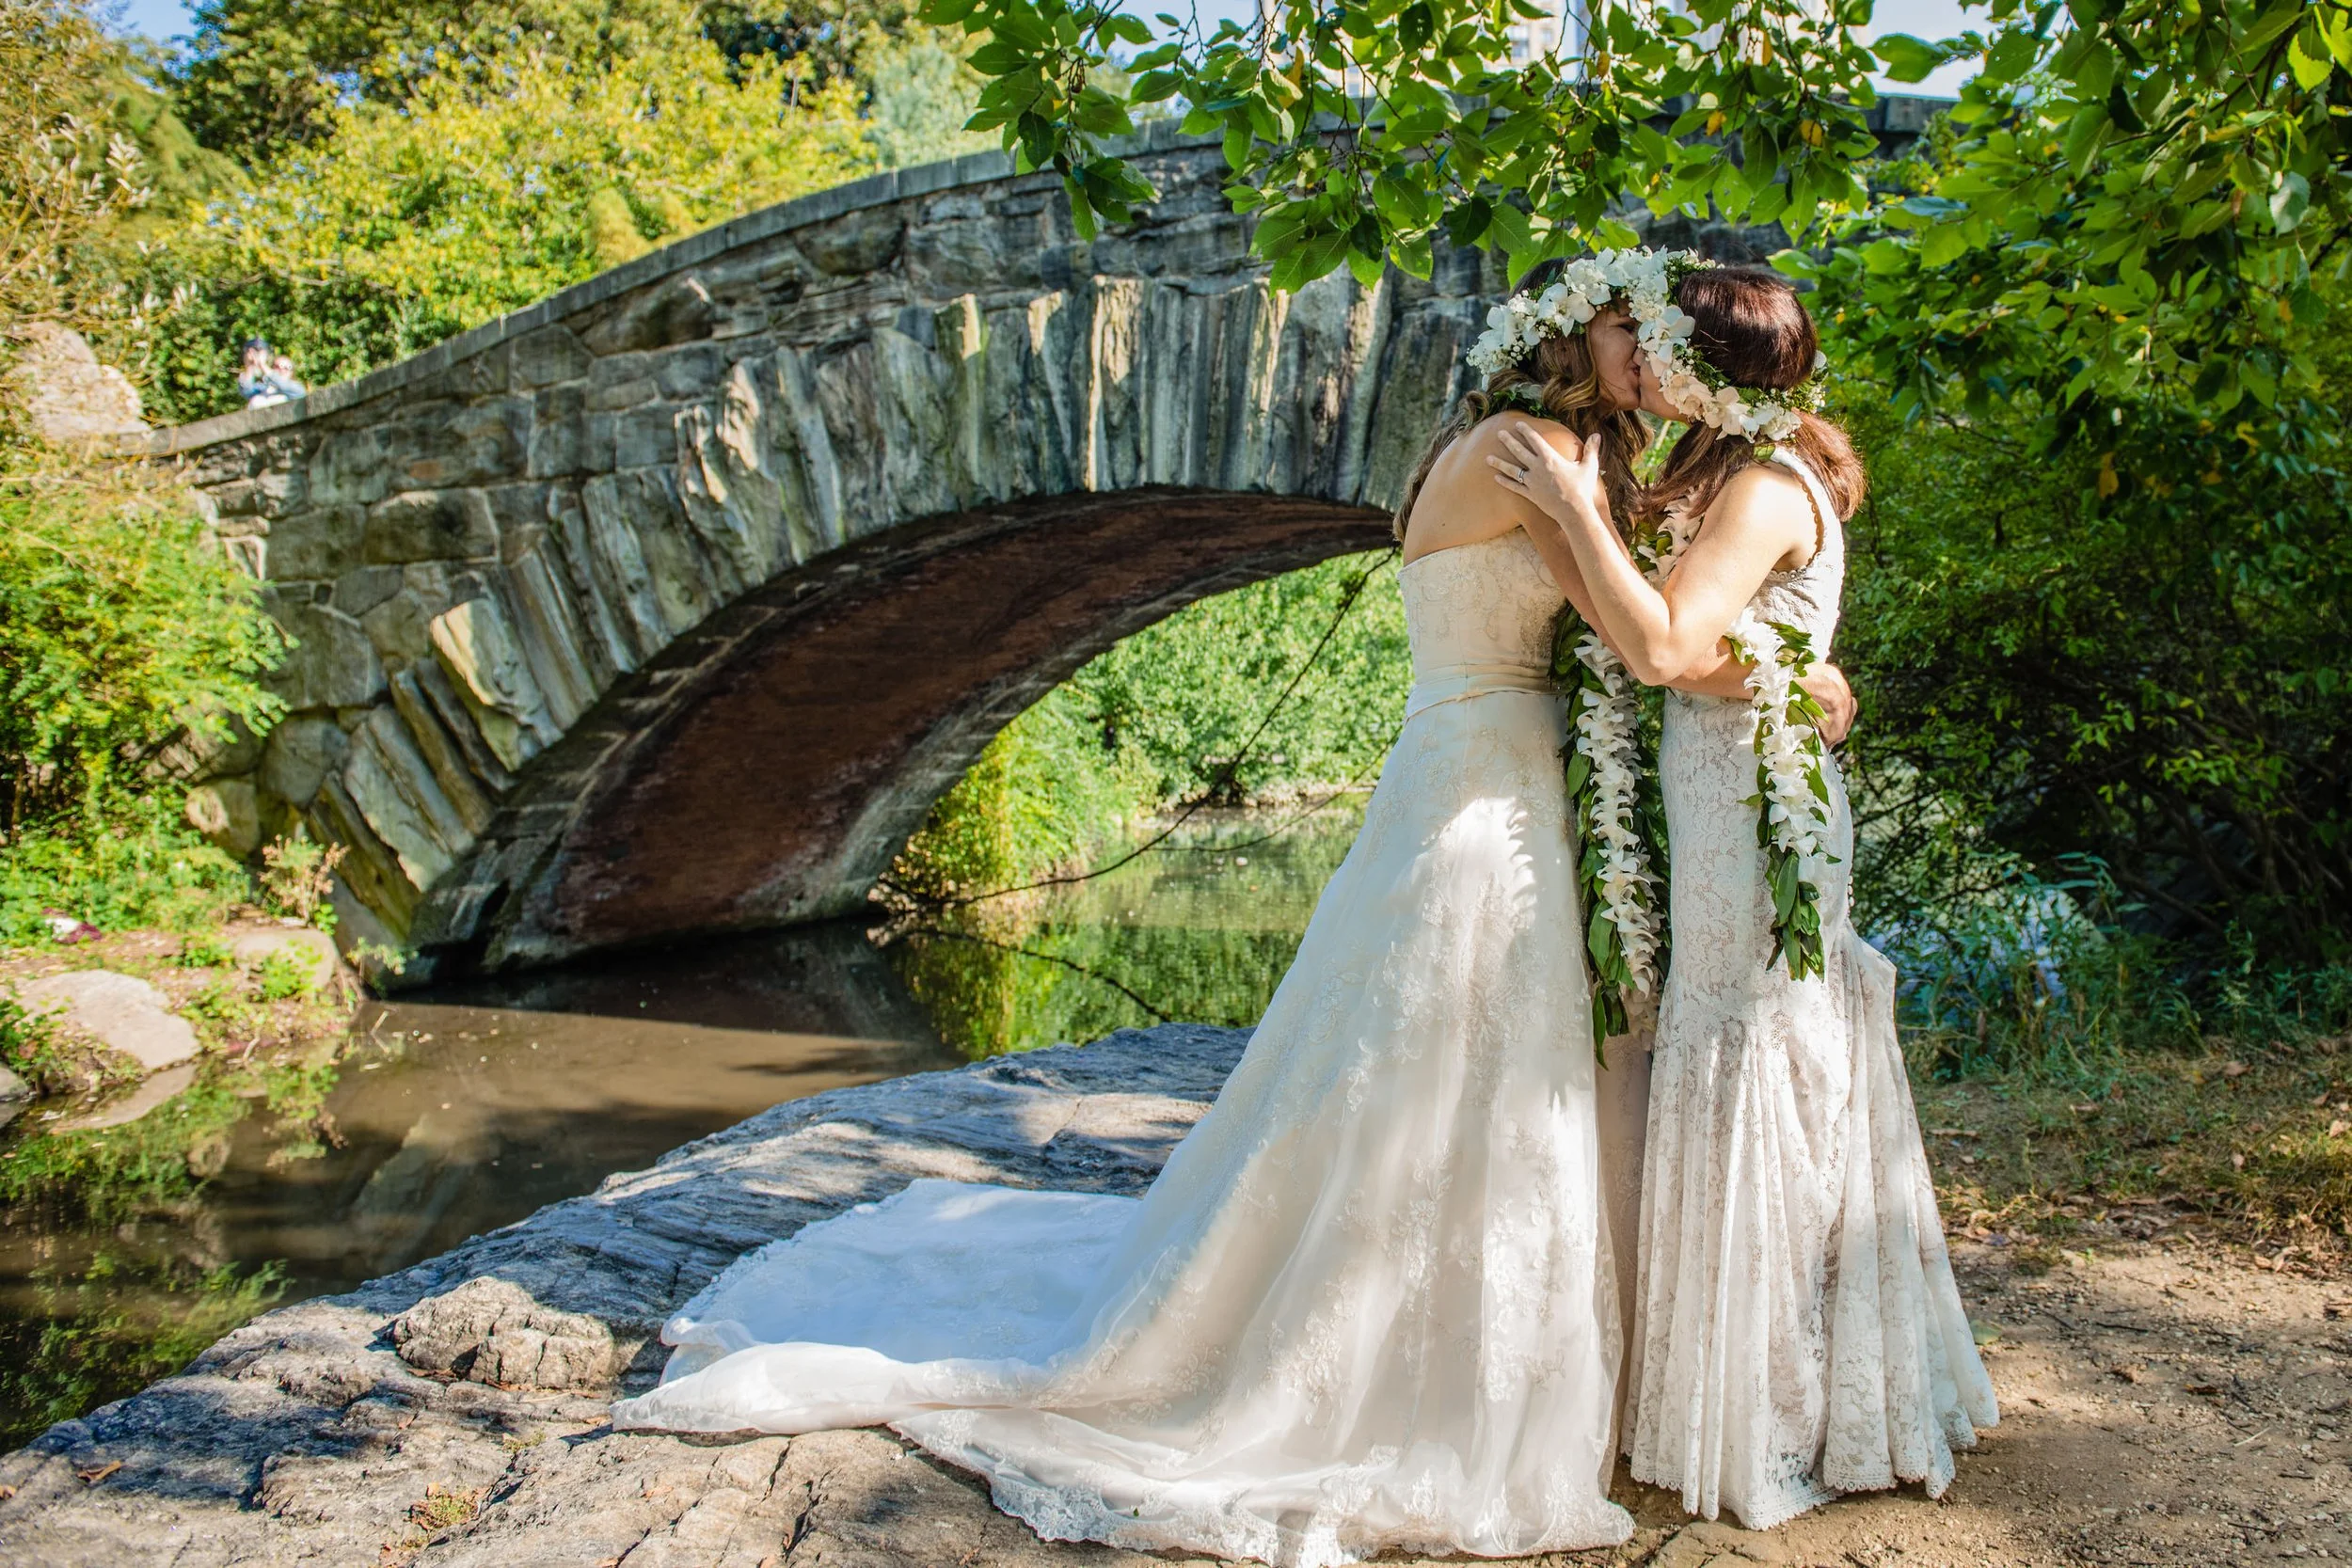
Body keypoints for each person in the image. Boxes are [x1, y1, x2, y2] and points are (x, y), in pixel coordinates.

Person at [610, 248, 1860, 1566]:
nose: (1645, 355)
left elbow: (1674, 606)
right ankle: (1435, 1372)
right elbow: (1639, 630)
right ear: (1566, 339)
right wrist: (1761, 649)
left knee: (1501, 1073)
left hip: (1501, 774)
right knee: (1463, 1064)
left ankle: (1562, 1359)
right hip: (1484, 785)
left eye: (1652, 334)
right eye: (1625, 329)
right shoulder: (1523, 451)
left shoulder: (1562, 456)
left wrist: (1791, 663)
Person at [1489, 257, 1999, 1529]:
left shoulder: (1766, 486)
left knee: (1752, 1052)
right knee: (1745, 1047)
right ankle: (1768, 1387)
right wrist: (1797, 673)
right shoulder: (1738, 477)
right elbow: (1718, 648)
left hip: (1751, 818)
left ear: (1715, 369)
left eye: (1664, 348)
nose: (1644, 368)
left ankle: (1778, 1408)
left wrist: (1575, 510)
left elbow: (1662, 643)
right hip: (1736, 801)